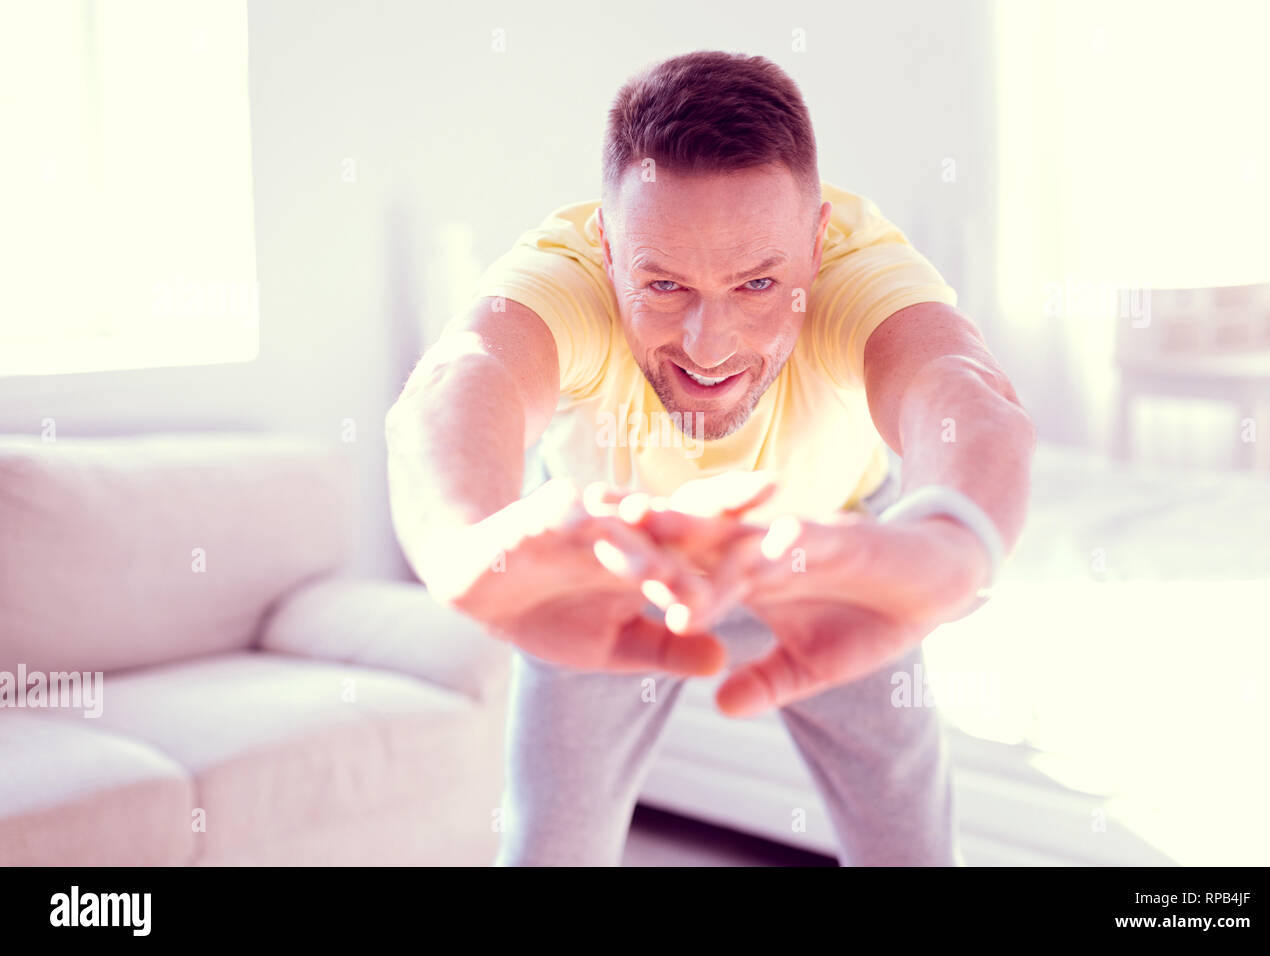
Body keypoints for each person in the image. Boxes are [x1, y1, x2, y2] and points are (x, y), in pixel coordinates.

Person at [385, 50, 1035, 866]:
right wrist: (462, 543)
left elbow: (958, 387)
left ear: (816, 245)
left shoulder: (859, 267)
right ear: (608, 251)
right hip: (608, 568)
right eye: (665, 288)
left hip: (831, 557)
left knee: (913, 854)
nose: (709, 345)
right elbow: (460, 382)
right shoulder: (565, 274)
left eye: (758, 286)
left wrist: (951, 543)